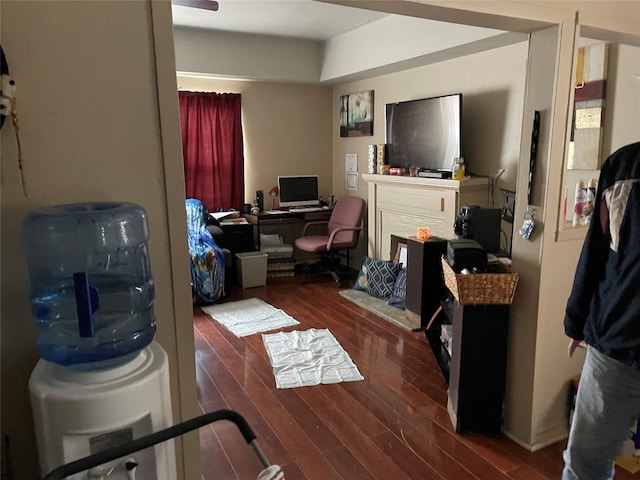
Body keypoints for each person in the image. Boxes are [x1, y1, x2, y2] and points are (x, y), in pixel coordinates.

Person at [563, 141, 640, 480]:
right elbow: (595, 252)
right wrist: (576, 322)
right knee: (586, 463)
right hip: (614, 343)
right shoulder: (623, 166)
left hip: (614, 337)